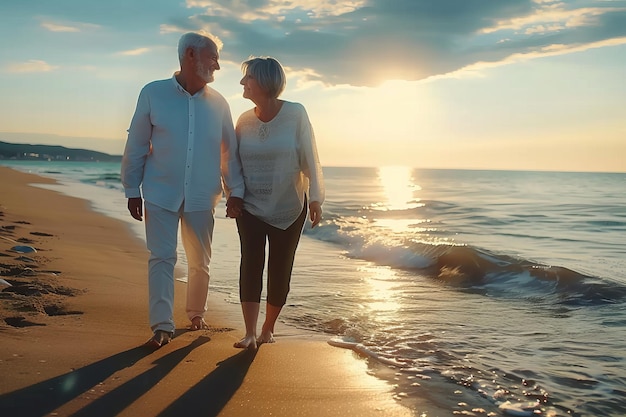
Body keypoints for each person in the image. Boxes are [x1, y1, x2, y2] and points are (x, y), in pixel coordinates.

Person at [121, 32, 245, 349]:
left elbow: (228, 153)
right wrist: (131, 187)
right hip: (160, 190)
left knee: (199, 260)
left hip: (203, 194)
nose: (217, 64)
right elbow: (136, 143)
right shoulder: (153, 93)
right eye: (213, 56)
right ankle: (162, 326)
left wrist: (236, 192)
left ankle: (195, 313)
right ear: (190, 54)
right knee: (161, 257)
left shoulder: (219, 104)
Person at [230, 56, 324, 349]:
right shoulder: (243, 120)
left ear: (265, 81)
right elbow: (232, 163)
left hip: (289, 205)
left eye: (248, 78)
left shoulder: (296, 114)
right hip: (250, 206)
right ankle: (249, 333)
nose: (243, 83)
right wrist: (232, 193)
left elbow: (311, 156)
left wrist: (317, 198)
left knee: (280, 266)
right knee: (251, 263)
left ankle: (268, 329)